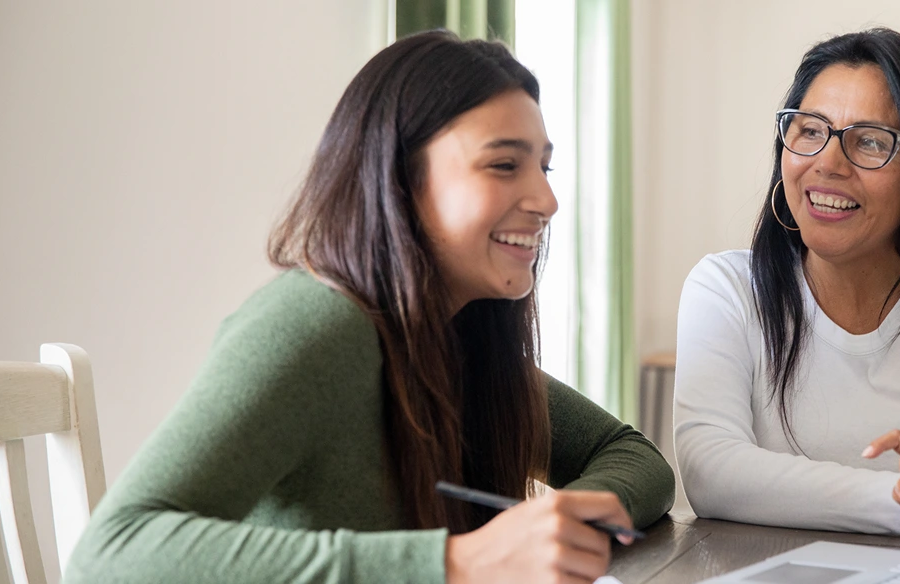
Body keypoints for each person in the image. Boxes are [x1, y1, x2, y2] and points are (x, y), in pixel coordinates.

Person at [65, 30, 674, 584]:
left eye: (543, 167)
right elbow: (110, 555)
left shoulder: (457, 336)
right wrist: (455, 563)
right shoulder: (315, 326)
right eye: (503, 165)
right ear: (399, 178)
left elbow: (633, 458)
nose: (546, 199)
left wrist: (564, 522)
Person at [673, 28, 900, 538]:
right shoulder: (727, 292)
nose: (828, 163)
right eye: (810, 130)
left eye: (870, 141)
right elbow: (712, 473)